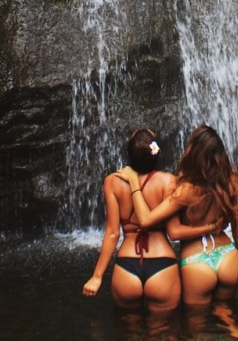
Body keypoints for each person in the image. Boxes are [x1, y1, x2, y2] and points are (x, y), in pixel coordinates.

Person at [116, 124, 238, 306]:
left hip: (196, 261)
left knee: (196, 325)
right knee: (226, 311)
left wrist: (134, 181)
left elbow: (147, 221)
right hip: (228, 257)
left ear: (192, 152)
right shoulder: (232, 181)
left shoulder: (185, 190)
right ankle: (235, 331)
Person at [82, 128, 216, 312]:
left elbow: (112, 233)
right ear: (156, 154)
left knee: (130, 330)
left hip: (126, 266)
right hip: (162, 264)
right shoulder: (168, 181)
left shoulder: (112, 182)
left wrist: (97, 277)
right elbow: (174, 230)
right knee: (163, 330)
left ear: (128, 154)